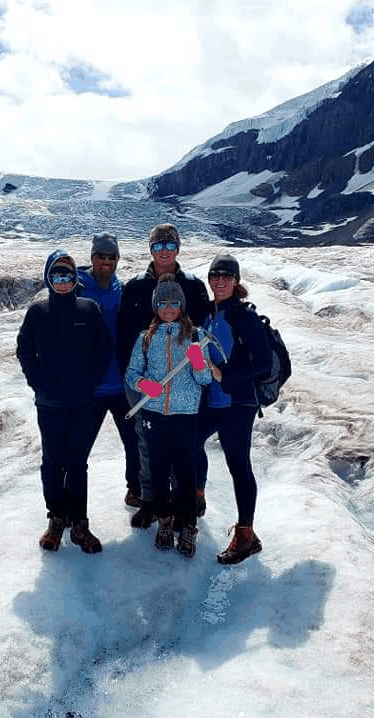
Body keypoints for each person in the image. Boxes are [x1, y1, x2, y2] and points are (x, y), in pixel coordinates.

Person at [16, 249, 111, 554]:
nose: (62, 280)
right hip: (49, 404)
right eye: (56, 274)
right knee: (52, 463)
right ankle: (57, 519)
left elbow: (104, 349)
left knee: (77, 464)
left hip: (83, 402)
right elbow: (25, 351)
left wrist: (92, 381)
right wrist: (37, 383)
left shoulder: (89, 309)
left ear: (74, 278)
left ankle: (80, 524)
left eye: (68, 274)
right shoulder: (37, 313)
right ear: (49, 278)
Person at [116, 223, 210, 528]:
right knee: (147, 446)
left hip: (184, 385)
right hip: (145, 379)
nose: (164, 251)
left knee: (185, 449)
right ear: (150, 249)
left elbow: (201, 336)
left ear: (178, 248)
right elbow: (123, 333)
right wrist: (135, 380)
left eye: (169, 245)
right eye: (158, 246)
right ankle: (151, 501)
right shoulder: (135, 287)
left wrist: (199, 368)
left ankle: (187, 501)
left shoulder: (194, 286)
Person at [125, 274, 212, 558]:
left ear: (182, 305)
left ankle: (187, 525)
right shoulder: (146, 338)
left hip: (185, 415)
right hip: (154, 414)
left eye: (175, 302)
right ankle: (164, 521)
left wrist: (199, 364)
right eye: (163, 303)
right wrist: (143, 385)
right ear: (156, 306)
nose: (169, 308)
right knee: (158, 470)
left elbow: (204, 380)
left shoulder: (195, 337)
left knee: (185, 472)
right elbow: (132, 373)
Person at [195, 253, 273, 564]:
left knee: (238, 466)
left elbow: (264, 363)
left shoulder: (244, 316)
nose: (220, 281)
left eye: (227, 276)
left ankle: (246, 535)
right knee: (190, 443)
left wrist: (225, 376)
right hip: (213, 400)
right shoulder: (210, 314)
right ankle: (196, 497)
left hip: (238, 403)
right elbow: (204, 352)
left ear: (236, 281)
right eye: (216, 276)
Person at [76, 233, 142, 508]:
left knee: (134, 444)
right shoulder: (77, 287)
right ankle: (70, 509)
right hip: (89, 387)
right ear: (92, 258)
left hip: (121, 385)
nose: (106, 261)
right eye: (101, 256)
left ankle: (136, 491)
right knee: (77, 451)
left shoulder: (120, 289)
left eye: (111, 257)